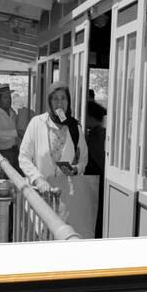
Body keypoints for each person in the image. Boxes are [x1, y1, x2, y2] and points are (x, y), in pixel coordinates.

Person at [19, 82, 94, 237]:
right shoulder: (37, 123)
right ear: (49, 101)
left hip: (66, 198)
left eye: (63, 98)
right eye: (55, 99)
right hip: (40, 194)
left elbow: (84, 159)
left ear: (68, 102)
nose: (59, 103)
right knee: (39, 236)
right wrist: (38, 179)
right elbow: (24, 157)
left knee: (61, 235)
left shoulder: (74, 128)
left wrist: (76, 169)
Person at [0, 83, 21, 177]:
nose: (9, 100)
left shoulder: (13, 113)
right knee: (3, 183)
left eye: (10, 97)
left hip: (15, 152)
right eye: (6, 98)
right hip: (3, 154)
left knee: (17, 179)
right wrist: (17, 132)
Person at [84, 100, 107, 238]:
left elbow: (99, 161)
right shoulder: (100, 133)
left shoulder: (95, 136)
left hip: (97, 184)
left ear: (90, 117)